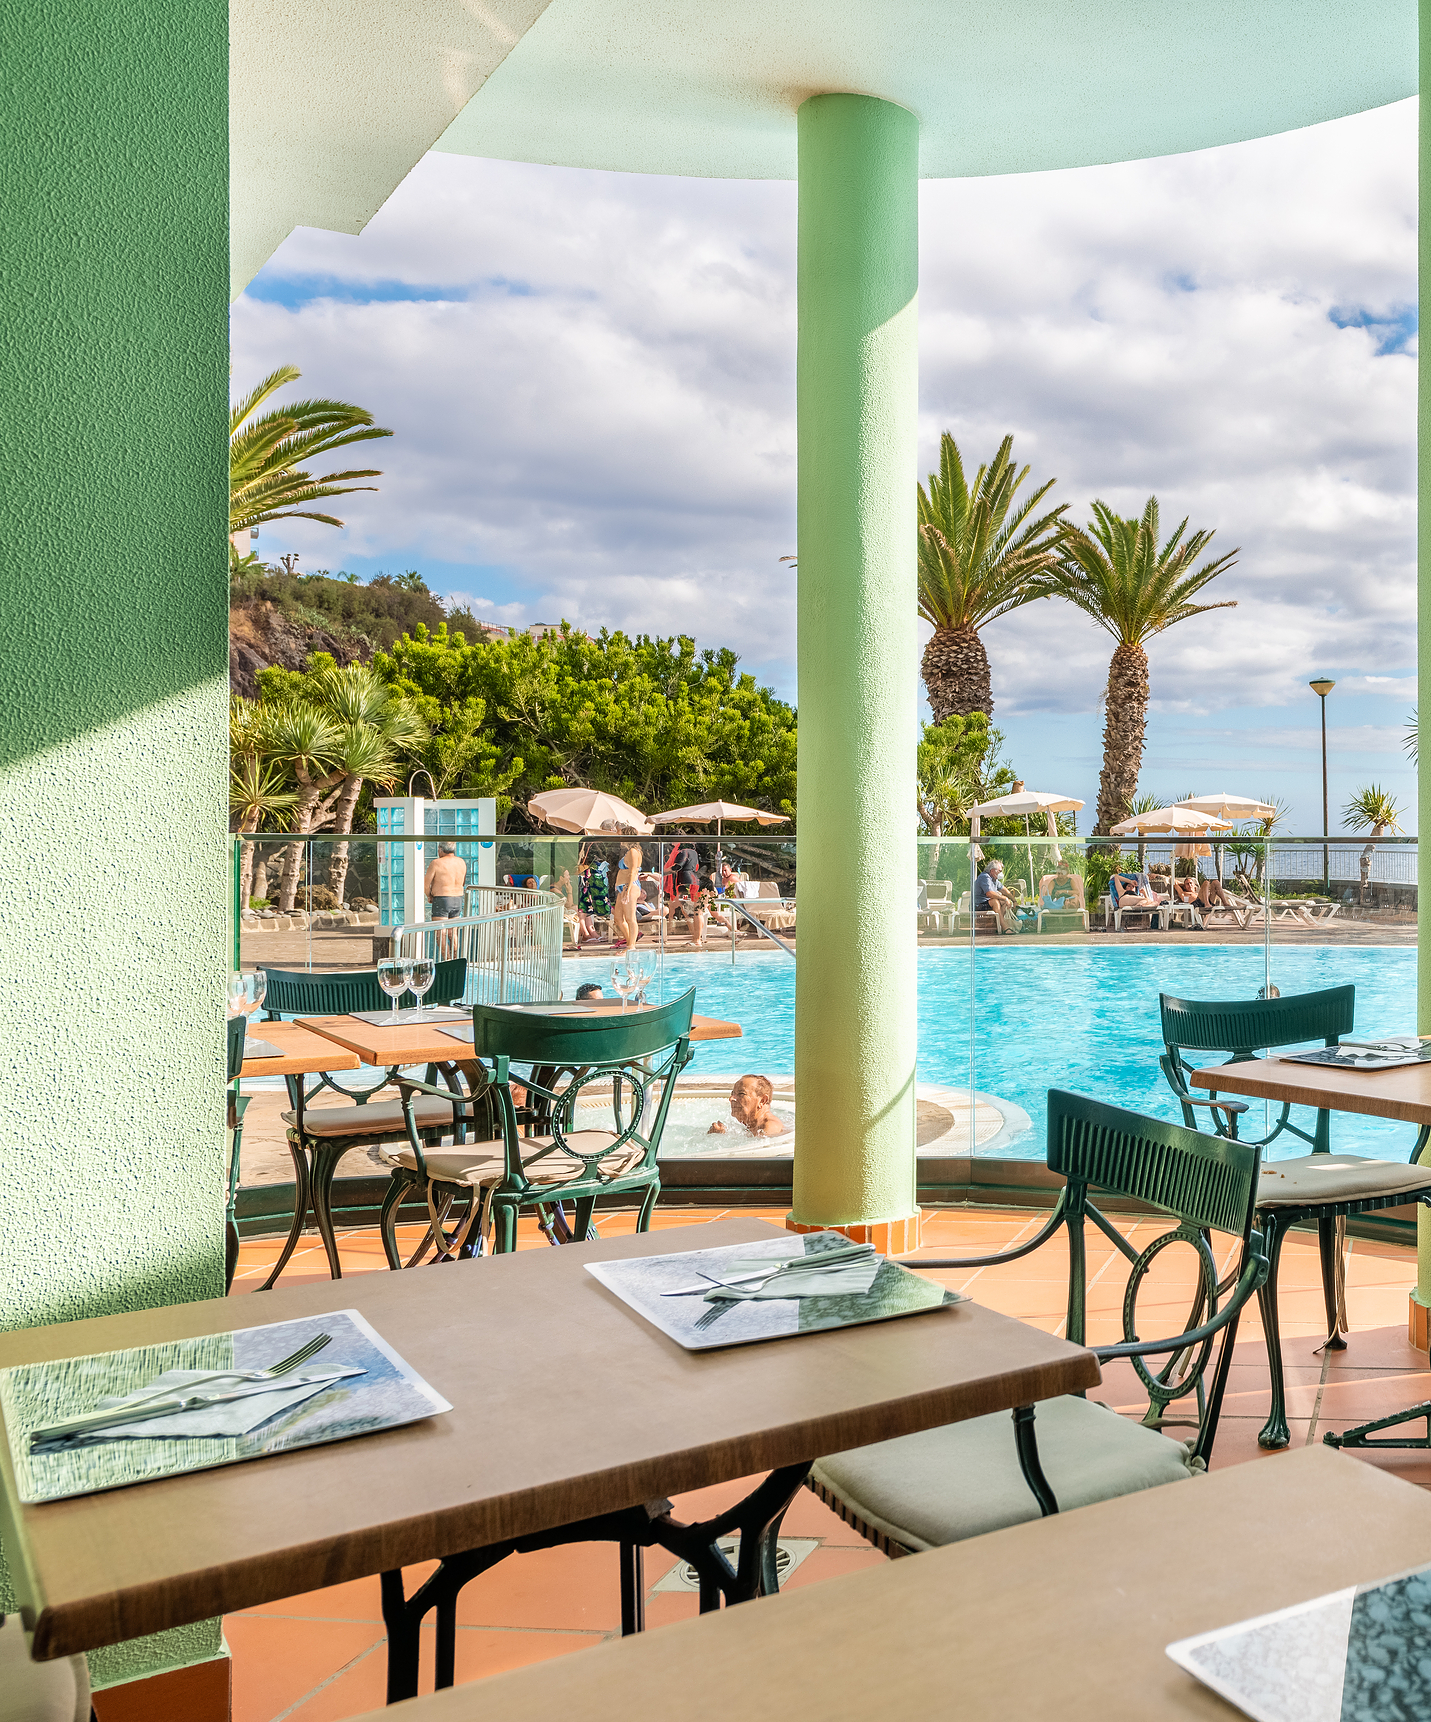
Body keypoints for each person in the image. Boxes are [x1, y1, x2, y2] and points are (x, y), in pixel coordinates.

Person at [708, 1074, 787, 1138]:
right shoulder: (752, 1125)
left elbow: (758, 1150)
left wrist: (723, 1136)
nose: (731, 1098)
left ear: (762, 1100)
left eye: (741, 1094)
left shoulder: (771, 1127)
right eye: (732, 1094)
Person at [611, 827, 644, 950]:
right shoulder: (630, 851)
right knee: (618, 918)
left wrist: (628, 888)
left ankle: (631, 947)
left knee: (630, 918)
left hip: (629, 886)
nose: (619, 839)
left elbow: (632, 872)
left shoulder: (633, 852)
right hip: (623, 887)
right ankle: (630, 941)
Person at [973, 858, 1020, 934]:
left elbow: (1005, 891)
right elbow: (989, 893)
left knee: (1002, 902)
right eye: (1000, 871)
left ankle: (997, 924)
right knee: (995, 901)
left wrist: (1013, 900)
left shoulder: (994, 880)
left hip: (986, 903)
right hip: (977, 905)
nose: (1001, 873)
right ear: (992, 870)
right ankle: (1005, 927)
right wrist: (1005, 898)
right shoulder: (984, 877)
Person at [424, 842, 466, 918]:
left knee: (441, 929)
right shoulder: (461, 862)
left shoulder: (436, 863)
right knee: (453, 929)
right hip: (458, 898)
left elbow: (426, 884)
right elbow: (463, 882)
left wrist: (429, 895)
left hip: (442, 898)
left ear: (440, 849)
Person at [577, 848, 611, 940]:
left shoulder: (594, 864)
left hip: (587, 883)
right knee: (583, 907)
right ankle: (585, 932)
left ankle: (591, 931)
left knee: (587, 907)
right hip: (584, 881)